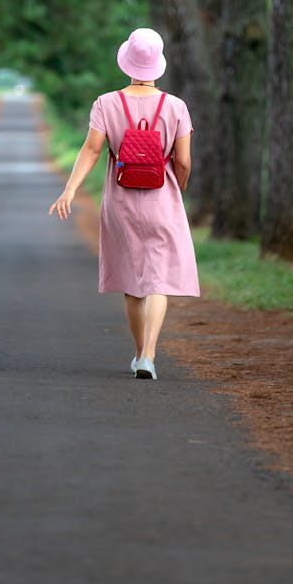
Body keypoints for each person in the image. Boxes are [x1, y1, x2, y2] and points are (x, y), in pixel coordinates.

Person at [49, 28, 199, 381]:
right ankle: (149, 355)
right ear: (157, 64)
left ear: (128, 61)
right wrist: (180, 187)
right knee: (158, 281)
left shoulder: (106, 103)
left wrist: (70, 190)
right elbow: (184, 162)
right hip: (162, 198)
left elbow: (92, 149)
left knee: (134, 283)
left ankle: (136, 353)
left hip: (120, 201)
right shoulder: (176, 106)